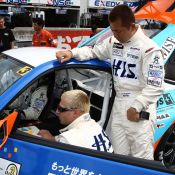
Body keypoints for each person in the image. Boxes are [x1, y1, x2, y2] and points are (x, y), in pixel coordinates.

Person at [55, 5, 164, 160]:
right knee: (116, 156)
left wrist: (137, 106)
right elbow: (93, 51)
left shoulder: (150, 49)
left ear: (132, 26)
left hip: (139, 108)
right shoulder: (113, 42)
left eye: (118, 30)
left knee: (141, 158)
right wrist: (71, 52)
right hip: (119, 104)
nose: (115, 34)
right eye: (112, 30)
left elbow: (155, 86)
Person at [39, 89, 113, 153]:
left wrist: (50, 140)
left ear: (75, 113)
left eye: (60, 109)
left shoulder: (69, 139)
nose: (57, 111)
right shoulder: (97, 127)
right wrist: (53, 139)